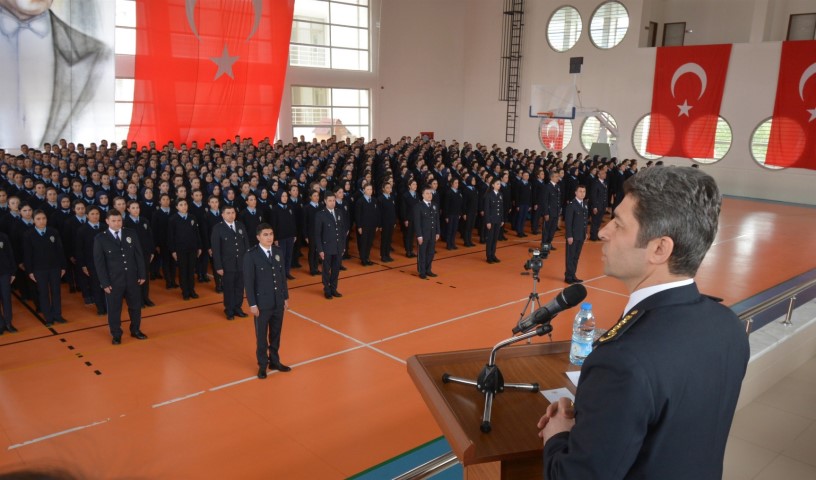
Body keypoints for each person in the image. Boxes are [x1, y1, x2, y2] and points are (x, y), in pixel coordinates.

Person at [538, 167, 750, 480]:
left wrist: (557, 435)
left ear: (659, 249)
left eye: (619, 224)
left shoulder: (622, 360)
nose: (603, 232)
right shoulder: (727, 325)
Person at [243, 223, 291, 379]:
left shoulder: (277, 251)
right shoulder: (251, 255)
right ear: (258, 237)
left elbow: (282, 276)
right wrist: (252, 304)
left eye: (271, 234)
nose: (269, 237)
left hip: (277, 302)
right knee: (262, 337)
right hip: (262, 304)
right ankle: (262, 365)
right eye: (265, 234)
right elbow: (249, 282)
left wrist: (285, 297)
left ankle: (275, 361)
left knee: (276, 334)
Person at [93, 209, 147, 345]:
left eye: (119, 220)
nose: (117, 223)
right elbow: (99, 264)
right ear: (107, 221)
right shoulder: (100, 238)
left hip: (132, 278)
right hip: (113, 281)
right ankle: (116, 334)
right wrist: (104, 283)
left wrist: (142, 273)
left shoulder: (131, 233)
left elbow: (139, 255)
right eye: (113, 221)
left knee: (135, 306)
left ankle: (135, 330)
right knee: (114, 309)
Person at [23, 209, 66, 327]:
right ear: (33, 221)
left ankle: (58, 315)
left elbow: (60, 250)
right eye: (38, 219)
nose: (42, 221)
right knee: (43, 293)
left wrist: (63, 266)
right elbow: (28, 255)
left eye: (44, 218)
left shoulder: (53, 232)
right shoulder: (28, 235)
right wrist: (30, 271)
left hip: (54, 267)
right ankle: (48, 317)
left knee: (56, 292)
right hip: (39, 269)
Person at [211, 205, 249, 320]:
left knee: (239, 288)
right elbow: (216, 249)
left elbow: (246, 245)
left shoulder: (240, 225)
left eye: (233, 212)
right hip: (227, 265)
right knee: (228, 289)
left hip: (241, 263)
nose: (231, 215)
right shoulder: (218, 228)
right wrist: (218, 266)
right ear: (222, 215)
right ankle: (229, 310)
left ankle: (238, 308)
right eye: (228, 213)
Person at [167, 198, 202, 300]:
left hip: (192, 248)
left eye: (185, 204)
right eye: (181, 205)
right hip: (180, 249)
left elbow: (197, 233)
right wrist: (173, 250)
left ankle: (192, 290)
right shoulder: (173, 219)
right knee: (183, 271)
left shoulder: (192, 217)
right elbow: (170, 236)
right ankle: (185, 292)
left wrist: (199, 246)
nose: (184, 206)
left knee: (191, 270)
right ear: (177, 207)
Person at [124, 200, 156, 307]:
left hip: (145, 253)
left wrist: (152, 251)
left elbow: (150, 236)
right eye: (133, 208)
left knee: (145, 276)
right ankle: (138, 300)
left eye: (137, 207)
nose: (136, 210)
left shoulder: (144, 220)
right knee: (135, 277)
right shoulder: (125, 223)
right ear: (128, 209)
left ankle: (145, 297)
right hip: (132, 255)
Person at [314, 192, 345, 299]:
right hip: (327, 248)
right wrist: (320, 250)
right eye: (330, 201)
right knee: (326, 270)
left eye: (334, 200)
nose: (332, 203)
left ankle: (333, 288)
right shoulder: (320, 215)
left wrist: (343, 246)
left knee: (336, 270)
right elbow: (317, 234)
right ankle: (327, 289)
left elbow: (342, 231)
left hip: (337, 247)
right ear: (325, 201)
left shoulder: (339, 212)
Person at [413, 187, 439, 280]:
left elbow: (436, 220)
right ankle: (422, 271)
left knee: (431, 253)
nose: (429, 195)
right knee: (422, 253)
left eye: (431, 193)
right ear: (423, 195)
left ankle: (428, 269)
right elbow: (417, 222)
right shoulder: (418, 206)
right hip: (423, 234)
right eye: (427, 193)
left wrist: (437, 232)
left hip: (432, 234)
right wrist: (419, 235)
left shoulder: (434, 205)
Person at [564, 185, 588, 284]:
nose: (582, 193)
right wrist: (569, 235)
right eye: (580, 191)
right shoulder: (571, 205)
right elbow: (568, 222)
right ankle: (568, 277)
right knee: (570, 256)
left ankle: (573, 274)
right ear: (575, 193)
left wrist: (585, 232)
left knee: (576, 257)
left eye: (584, 191)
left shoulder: (585, 204)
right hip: (573, 235)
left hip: (581, 235)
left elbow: (585, 220)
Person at [483, 177, 503, 264]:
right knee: (490, 239)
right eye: (497, 184)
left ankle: (493, 255)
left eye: (499, 184)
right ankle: (488, 256)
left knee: (495, 239)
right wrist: (488, 221)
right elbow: (487, 209)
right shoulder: (489, 195)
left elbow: (501, 208)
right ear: (493, 185)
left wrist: (502, 219)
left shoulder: (500, 194)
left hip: (498, 220)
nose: (499, 185)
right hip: (491, 220)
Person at [541, 169, 561, 250]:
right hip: (549, 212)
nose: (558, 178)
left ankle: (549, 243)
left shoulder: (557, 187)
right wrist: (546, 213)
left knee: (552, 230)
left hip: (556, 212)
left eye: (558, 176)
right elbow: (545, 201)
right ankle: (545, 246)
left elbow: (558, 200)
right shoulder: (547, 187)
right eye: (556, 177)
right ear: (551, 178)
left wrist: (559, 210)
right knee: (546, 230)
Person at [0, 230, 15, 333]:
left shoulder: (3, 236)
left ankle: (8, 323)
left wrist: (13, 272)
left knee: (6, 298)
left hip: (4, 272)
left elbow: (10, 254)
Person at [588, 168, 608, 241]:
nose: (605, 175)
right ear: (598, 175)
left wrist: (606, 205)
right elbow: (593, 196)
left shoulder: (605, 183)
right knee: (595, 221)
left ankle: (596, 234)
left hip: (602, 205)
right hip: (597, 205)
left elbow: (606, 195)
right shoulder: (595, 183)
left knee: (599, 221)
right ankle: (593, 236)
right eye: (603, 174)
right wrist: (594, 207)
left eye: (605, 173)